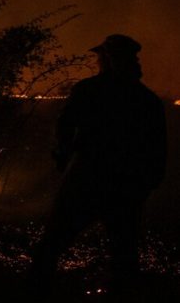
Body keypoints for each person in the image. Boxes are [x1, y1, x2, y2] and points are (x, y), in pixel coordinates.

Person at [31, 34, 167, 287]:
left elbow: (65, 127)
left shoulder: (89, 89)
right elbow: (157, 147)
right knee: (124, 247)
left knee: (55, 239)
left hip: (88, 177)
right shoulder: (146, 99)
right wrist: (148, 181)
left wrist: (63, 157)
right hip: (127, 182)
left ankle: (33, 297)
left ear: (107, 59)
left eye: (101, 56)